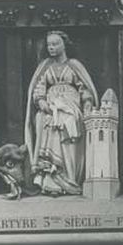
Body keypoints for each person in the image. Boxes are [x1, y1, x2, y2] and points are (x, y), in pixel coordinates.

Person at [24, 31, 98, 195]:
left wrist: (87, 102)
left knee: (67, 119)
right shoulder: (45, 66)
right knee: (42, 118)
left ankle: (69, 177)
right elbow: (39, 87)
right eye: (49, 44)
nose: (51, 47)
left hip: (71, 106)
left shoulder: (74, 65)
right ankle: (50, 181)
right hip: (50, 106)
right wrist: (41, 100)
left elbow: (84, 88)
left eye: (55, 44)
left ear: (65, 44)